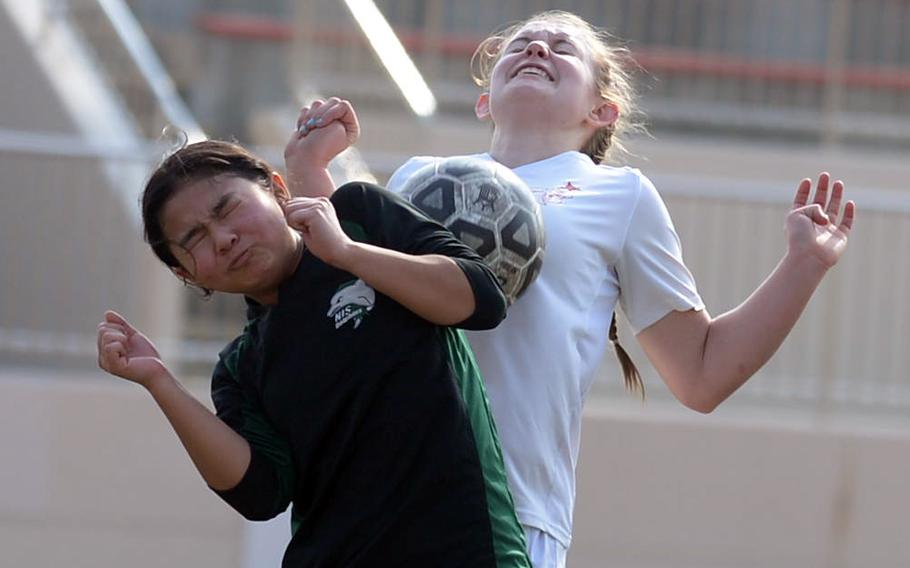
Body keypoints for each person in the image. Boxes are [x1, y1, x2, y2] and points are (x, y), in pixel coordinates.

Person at [382, 10, 856, 567]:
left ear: (601, 110)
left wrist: (804, 264)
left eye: (562, 48)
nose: (537, 50)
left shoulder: (618, 196)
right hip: (374, 494)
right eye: (523, 44)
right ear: (485, 100)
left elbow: (701, 374)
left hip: (503, 511)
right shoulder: (417, 175)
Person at [95, 111, 531, 566]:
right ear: (186, 274)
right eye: (195, 238)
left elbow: (480, 299)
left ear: (278, 191)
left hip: (466, 552)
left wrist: (345, 251)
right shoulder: (241, 368)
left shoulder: (360, 219)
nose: (224, 238)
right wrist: (159, 381)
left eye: (228, 209)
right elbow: (260, 494)